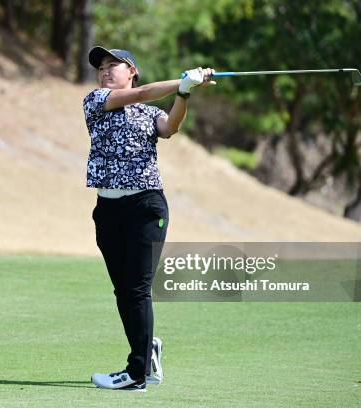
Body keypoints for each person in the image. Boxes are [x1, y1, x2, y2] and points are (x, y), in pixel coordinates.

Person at [83, 46, 216, 392]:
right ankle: (147, 349)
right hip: (108, 211)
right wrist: (184, 80)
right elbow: (142, 93)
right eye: (101, 67)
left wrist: (185, 92)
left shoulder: (146, 113)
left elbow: (171, 127)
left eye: (114, 66)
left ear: (132, 71)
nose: (105, 71)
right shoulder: (95, 102)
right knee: (124, 291)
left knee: (138, 289)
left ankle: (137, 373)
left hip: (146, 207)